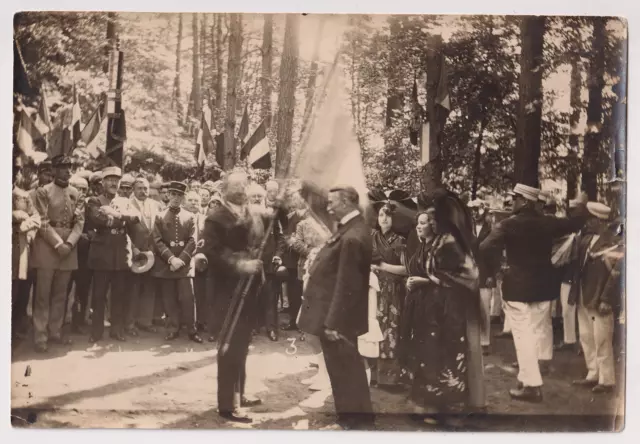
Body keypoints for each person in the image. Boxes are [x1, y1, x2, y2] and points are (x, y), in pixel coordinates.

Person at [480, 184, 585, 402]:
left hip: (517, 287)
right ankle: (535, 370)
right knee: (538, 330)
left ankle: (531, 385)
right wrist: (581, 205)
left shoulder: (508, 225)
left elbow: (484, 247)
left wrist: (500, 265)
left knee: (523, 336)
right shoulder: (547, 222)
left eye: (515, 198)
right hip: (544, 286)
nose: (511, 202)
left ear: (525, 201)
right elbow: (574, 223)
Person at [399, 190, 480, 423]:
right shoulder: (438, 240)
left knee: (448, 353)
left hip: (450, 307)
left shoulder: (452, 242)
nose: (431, 223)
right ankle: (429, 405)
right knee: (432, 352)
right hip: (435, 306)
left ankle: (448, 408)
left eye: (434, 220)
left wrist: (431, 280)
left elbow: (469, 275)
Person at [298, 186, 374, 430]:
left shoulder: (352, 236)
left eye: (332, 202)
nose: (328, 207)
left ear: (347, 203)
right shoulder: (349, 229)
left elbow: (346, 285)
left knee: (345, 371)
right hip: (336, 316)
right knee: (345, 369)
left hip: (338, 319)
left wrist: (333, 323)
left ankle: (353, 423)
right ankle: (356, 418)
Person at [201, 171, 264, 423]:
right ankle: (227, 404)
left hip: (250, 288)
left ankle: (241, 392)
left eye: (244, 185)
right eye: (236, 186)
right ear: (223, 189)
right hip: (227, 290)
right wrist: (241, 265)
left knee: (242, 344)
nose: (241, 189)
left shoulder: (250, 213)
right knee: (229, 346)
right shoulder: (215, 218)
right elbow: (213, 252)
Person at [30, 155, 84, 352]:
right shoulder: (43, 192)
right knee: (43, 294)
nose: (67, 171)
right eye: (62, 167)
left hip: (68, 248)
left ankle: (55, 331)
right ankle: (40, 336)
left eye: (69, 167)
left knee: (61, 293)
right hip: (47, 246)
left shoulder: (76, 193)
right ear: (54, 170)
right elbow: (42, 221)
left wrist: (69, 243)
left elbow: (79, 222)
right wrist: (58, 243)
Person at [570, 202, 621, 394]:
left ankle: (607, 379)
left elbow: (617, 273)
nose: (586, 223)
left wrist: (607, 298)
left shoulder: (614, 242)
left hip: (600, 296)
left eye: (589, 219)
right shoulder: (585, 240)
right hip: (584, 295)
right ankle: (593, 373)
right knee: (586, 336)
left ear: (597, 221)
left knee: (602, 338)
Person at [86, 166, 140, 343]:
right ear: (102, 182)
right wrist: (123, 218)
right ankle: (96, 332)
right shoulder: (95, 200)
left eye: (116, 180)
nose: (113, 183)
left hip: (121, 254)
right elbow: (98, 220)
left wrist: (114, 214)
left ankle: (116, 330)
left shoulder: (125, 201)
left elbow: (136, 218)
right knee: (99, 295)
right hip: (102, 254)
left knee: (119, 295)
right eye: (109, 180)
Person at [151, 182, 203, 344]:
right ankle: (172, 329)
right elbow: (157, 240)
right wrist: (171, 259)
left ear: (183, 197)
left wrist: (181, 259)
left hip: (184, 265)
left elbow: (193, 240)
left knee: (187, 298)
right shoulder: (159, 216)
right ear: (168, 195)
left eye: (179, 195)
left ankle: (192, 330)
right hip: (166, 264)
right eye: (173, 194)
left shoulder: (190, 217)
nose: (175, 198)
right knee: (169, 298)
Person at [369, 201, 407, 388]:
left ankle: (389, 378)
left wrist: (383, 267)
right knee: (371, 326)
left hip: (392, 291)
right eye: (381, 215)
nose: (384, 218)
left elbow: (406, 269)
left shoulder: (400, 241)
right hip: (371, 289)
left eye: (388, 215)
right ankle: (371, 375)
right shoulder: (370, 237)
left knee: (390, 330)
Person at [128, 177, 163, 334]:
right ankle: (130, 323)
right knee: (133, 288)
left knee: (149, 288)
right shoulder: (127, 205)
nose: (143, 191)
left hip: (152, 253)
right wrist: (133, 248)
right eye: (140, 188)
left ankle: (145, 321)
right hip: (134, 252)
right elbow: (125, 231)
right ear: (133, 190)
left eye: (145, 188)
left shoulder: (156, 205)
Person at [471, 199, 500, 355]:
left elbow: (494, 254)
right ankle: (471, 341)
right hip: (469, 275)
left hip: (484, 274)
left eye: (477, 209)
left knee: (484, 308)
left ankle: (484, 341)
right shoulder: (467, 229)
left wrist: (492, 275)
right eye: (472, 210)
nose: (474, 213)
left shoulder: (490, 230)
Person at [12, 187, 40, 340]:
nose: (15, 173)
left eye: (17, 170)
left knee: (16, 292)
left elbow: (36, 218)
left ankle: (12, 331)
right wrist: (13, 215)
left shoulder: (23, 195)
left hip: (19, 250)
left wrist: (25, 226)